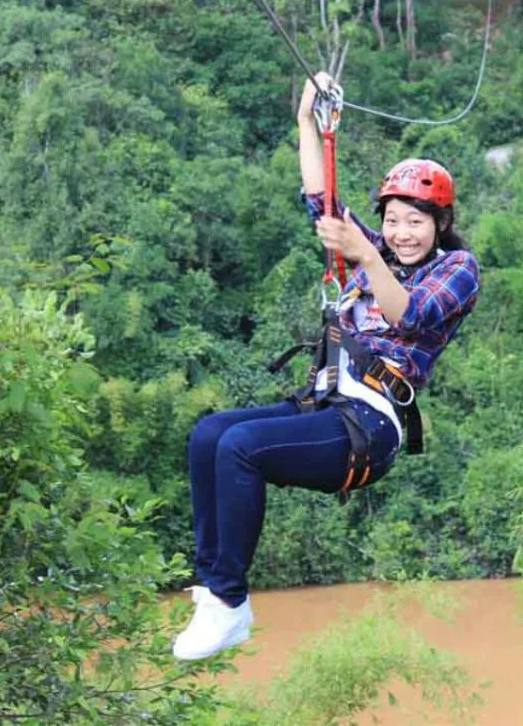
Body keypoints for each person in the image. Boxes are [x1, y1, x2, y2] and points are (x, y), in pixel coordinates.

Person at [172, 73, 480, 661]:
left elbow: (410, 314)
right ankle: (213, 590)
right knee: (208, 435)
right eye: (393, 220)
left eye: (416, 221)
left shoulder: (457, 268)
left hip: (371, 425)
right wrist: (306, 119)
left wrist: (365, 254)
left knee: (240, 448)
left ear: (440, 224)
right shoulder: (373, 251)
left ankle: (231, 601)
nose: (401, 233)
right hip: (330, 401)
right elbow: (323, 199)